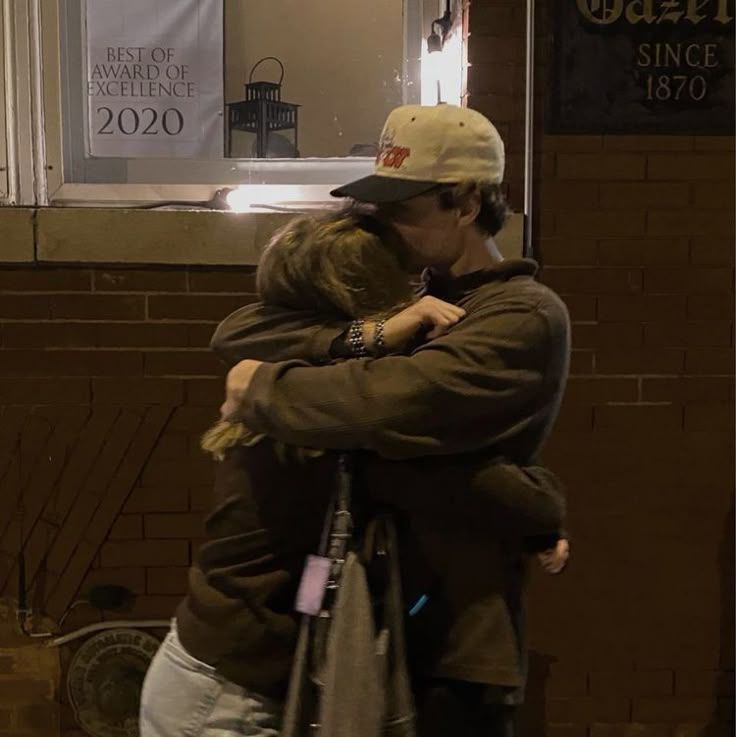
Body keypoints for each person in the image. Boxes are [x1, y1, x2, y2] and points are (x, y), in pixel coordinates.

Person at [139, 208, 568, 737]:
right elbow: (483, 491)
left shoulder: (295, 392)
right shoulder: (327, 422)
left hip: (218, 679)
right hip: (224, 697)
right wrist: (543, 503)